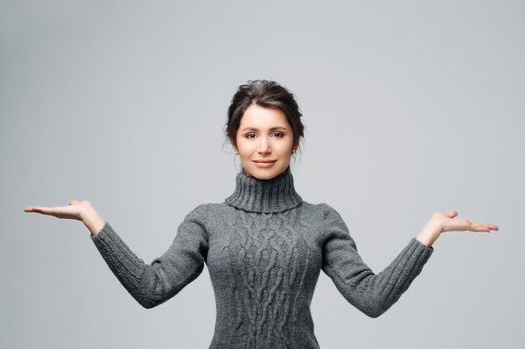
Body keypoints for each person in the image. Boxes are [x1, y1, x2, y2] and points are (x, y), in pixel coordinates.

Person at [24, 79, 499, 349]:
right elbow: (152, 289)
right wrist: (94, 221)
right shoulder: (207, 219)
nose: (264, 147)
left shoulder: (321, 219)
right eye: (251, 134)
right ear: (234, 141)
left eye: (277, 133)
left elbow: (370, 299)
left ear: (295, 139)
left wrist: (431, 231)